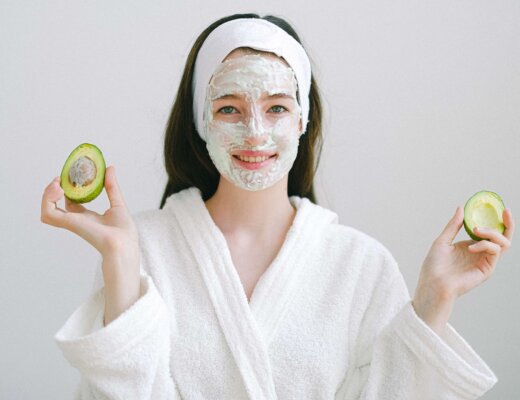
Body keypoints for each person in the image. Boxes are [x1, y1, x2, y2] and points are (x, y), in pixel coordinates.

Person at [40, 13, 515, 400]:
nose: (255, 133)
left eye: (277, 108)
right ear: (202, 121)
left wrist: (433, 300)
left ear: (304, 118)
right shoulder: (146, 248)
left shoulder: (361, 266)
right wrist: (122, 262)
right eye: (229, 108)